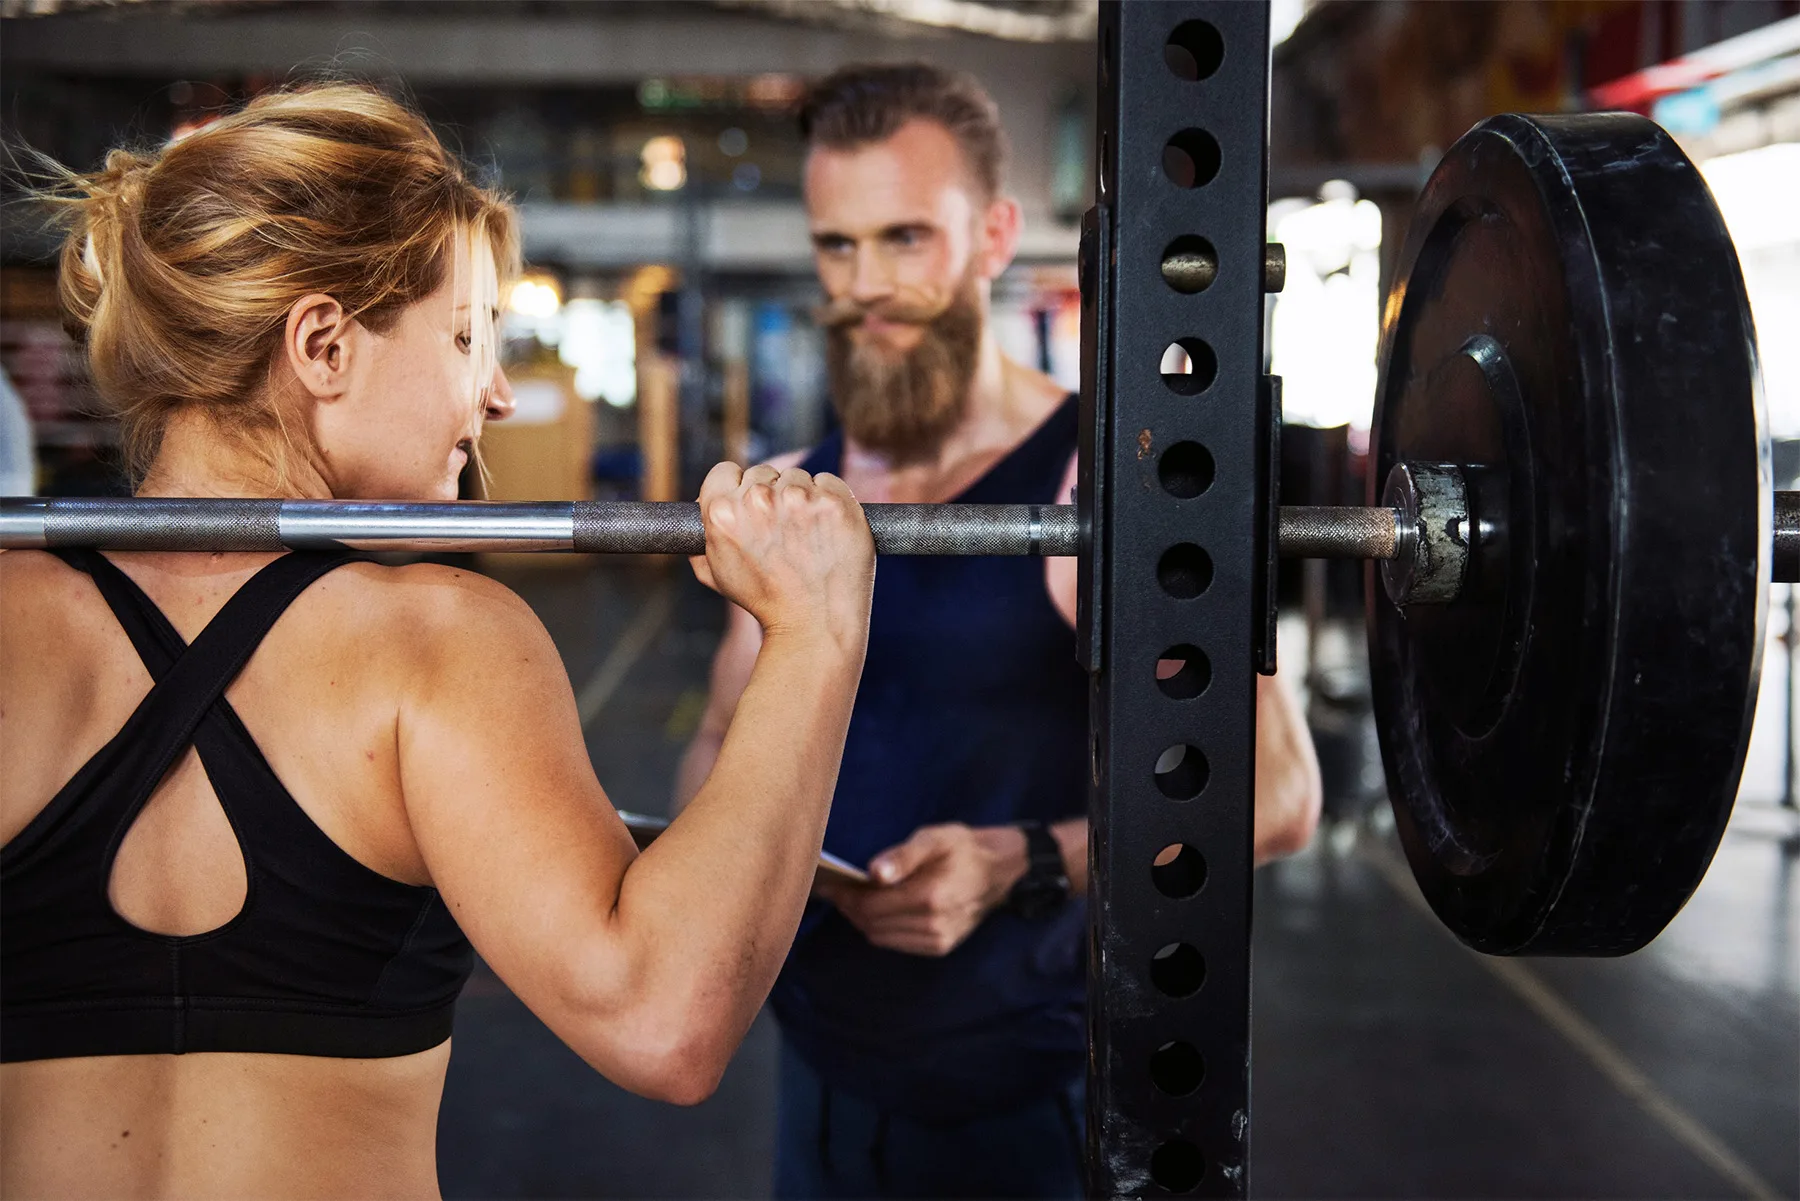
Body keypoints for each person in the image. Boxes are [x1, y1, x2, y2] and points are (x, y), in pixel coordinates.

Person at [0, 82, 876, 1199]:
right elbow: (666, 1020)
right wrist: (816, 632)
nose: (497, 393)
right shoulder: (438, 643)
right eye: (468, 335)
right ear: (323, 345)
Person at [674, 64, 1323, 1200]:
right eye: (838, 245)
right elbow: (723, 732)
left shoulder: (1106, 486)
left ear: (995, 236)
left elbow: (1277, 792)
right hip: (819, 1073)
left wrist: (1019, 862)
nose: (867, 283)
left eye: (906, 237)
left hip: (1022, 1101)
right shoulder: (792, 490)